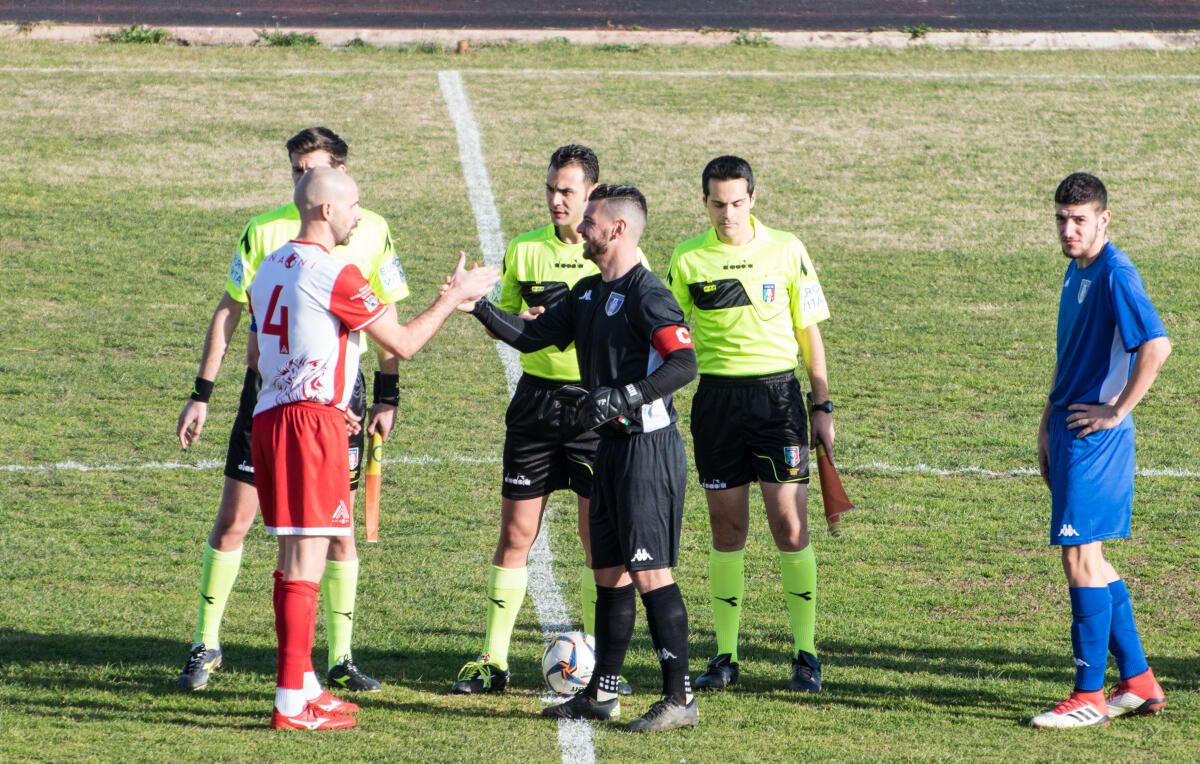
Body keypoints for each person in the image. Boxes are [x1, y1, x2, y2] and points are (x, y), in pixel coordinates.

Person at [253, 167, 498, 729]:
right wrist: (455, 296)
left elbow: (254, 353)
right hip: (311, 425)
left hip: (272, 417)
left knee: (294, 558)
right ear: (324, 211)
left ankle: (304, 682)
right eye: (353, 205)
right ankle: (291, 701)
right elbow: (405, 342)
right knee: (307, 562)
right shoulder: (334, 272)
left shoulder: (271, 265)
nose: (358, 215)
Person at [175, 127, 410, 693]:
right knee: (238, 518)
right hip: (281, 402)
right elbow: (232, 312)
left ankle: (338, 658)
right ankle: (210, 644)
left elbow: (385, 327)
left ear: (337, 175)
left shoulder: (370, 228)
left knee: (336, 530)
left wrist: (385, 396)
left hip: (333, 401)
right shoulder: (266, 231)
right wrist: (203, 392)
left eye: (311, 167)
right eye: (295, 168)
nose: (301, 176)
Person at [466, 185, 700, 732]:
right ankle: (601, 693)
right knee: (609, 573)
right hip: (610, 449)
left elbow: (683, 363)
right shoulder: (590, 292)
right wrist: (475, 306)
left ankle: (680, 698)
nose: (581, 226)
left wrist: (624, 396)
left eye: (591, 219)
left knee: (652, 574)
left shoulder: (649, 295)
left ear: (617, 229)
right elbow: (531, 337)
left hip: (647, 450)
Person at [453, 145, 640, 695]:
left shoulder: (617, 253)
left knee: (595, 539)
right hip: (535, 405)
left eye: (568, 192)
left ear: (592, 197)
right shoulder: (524, 249)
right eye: (551, 191)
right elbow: (508, 320)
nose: (558, 201)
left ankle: (601, 664)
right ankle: (493, 659)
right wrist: (516, 318)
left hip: (593, 412)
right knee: (515, 533)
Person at [666, 155, 833, 693]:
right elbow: (666, 333)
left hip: (778, 400)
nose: (728, 214)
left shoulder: (787, 249)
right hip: (715, 402)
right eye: (718, 204)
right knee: (727, 529)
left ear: (753, 199)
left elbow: (809, 331)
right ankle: (725, 656)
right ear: (705, 202)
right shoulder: (688, 258)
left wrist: (821, 405)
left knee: (790, 526)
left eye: (738, 202)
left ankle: (806, 654)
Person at [1030, 172, 1170, 729]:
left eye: (1079, 220)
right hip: (1069, 430)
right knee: (1094, 559)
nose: (1068, 229)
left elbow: (1156, 346)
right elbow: (1072, 355)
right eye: (1062, 218)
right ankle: (1138, 682)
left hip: (1096, 439)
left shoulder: (1115, 273)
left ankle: (1087, 696)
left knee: (1079, 557)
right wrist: (1046, 420)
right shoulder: (1077, 269)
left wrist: (1117, 410)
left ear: (1104, 220)